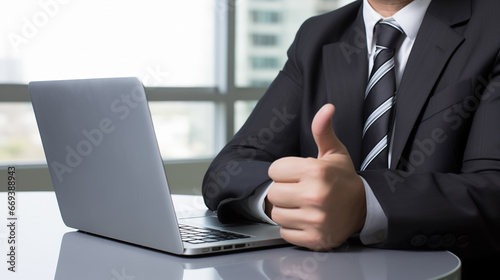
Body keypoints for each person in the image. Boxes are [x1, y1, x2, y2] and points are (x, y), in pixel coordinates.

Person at [203, 0, 500, 276]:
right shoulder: (317, 35)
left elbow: (493, 190)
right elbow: (230, 166)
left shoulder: (492, 25)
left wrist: (364, 205)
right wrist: (290, 200)